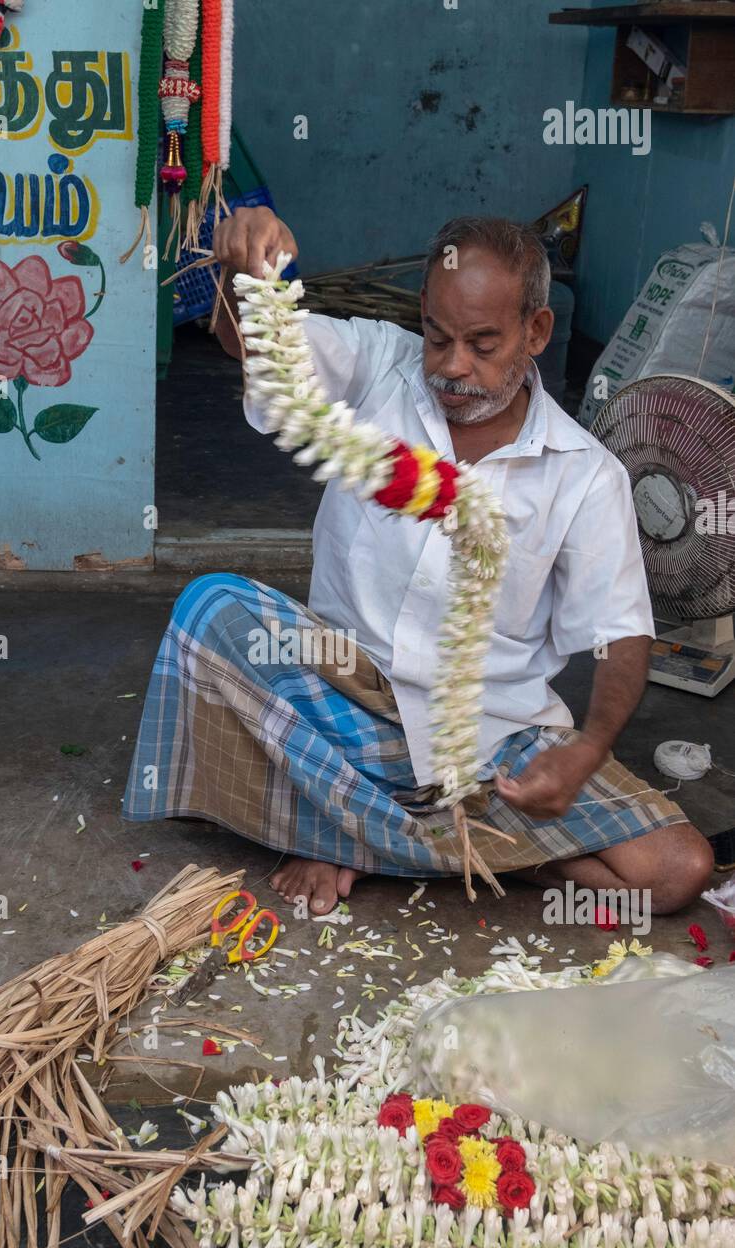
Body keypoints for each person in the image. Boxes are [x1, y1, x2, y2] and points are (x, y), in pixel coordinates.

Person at [123, 208, 713, 918]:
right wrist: (245, 271)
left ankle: (347, 832)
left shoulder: (586, 475)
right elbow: (251, 345)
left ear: (537, 332)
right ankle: (456, 845)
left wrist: (586, 749)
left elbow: (620, 634)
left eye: (482, 344)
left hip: (492, 733)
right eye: (438, 336)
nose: (452, 366)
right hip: (343, 693)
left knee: (677, 869)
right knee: (213, 612)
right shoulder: (380, 365)